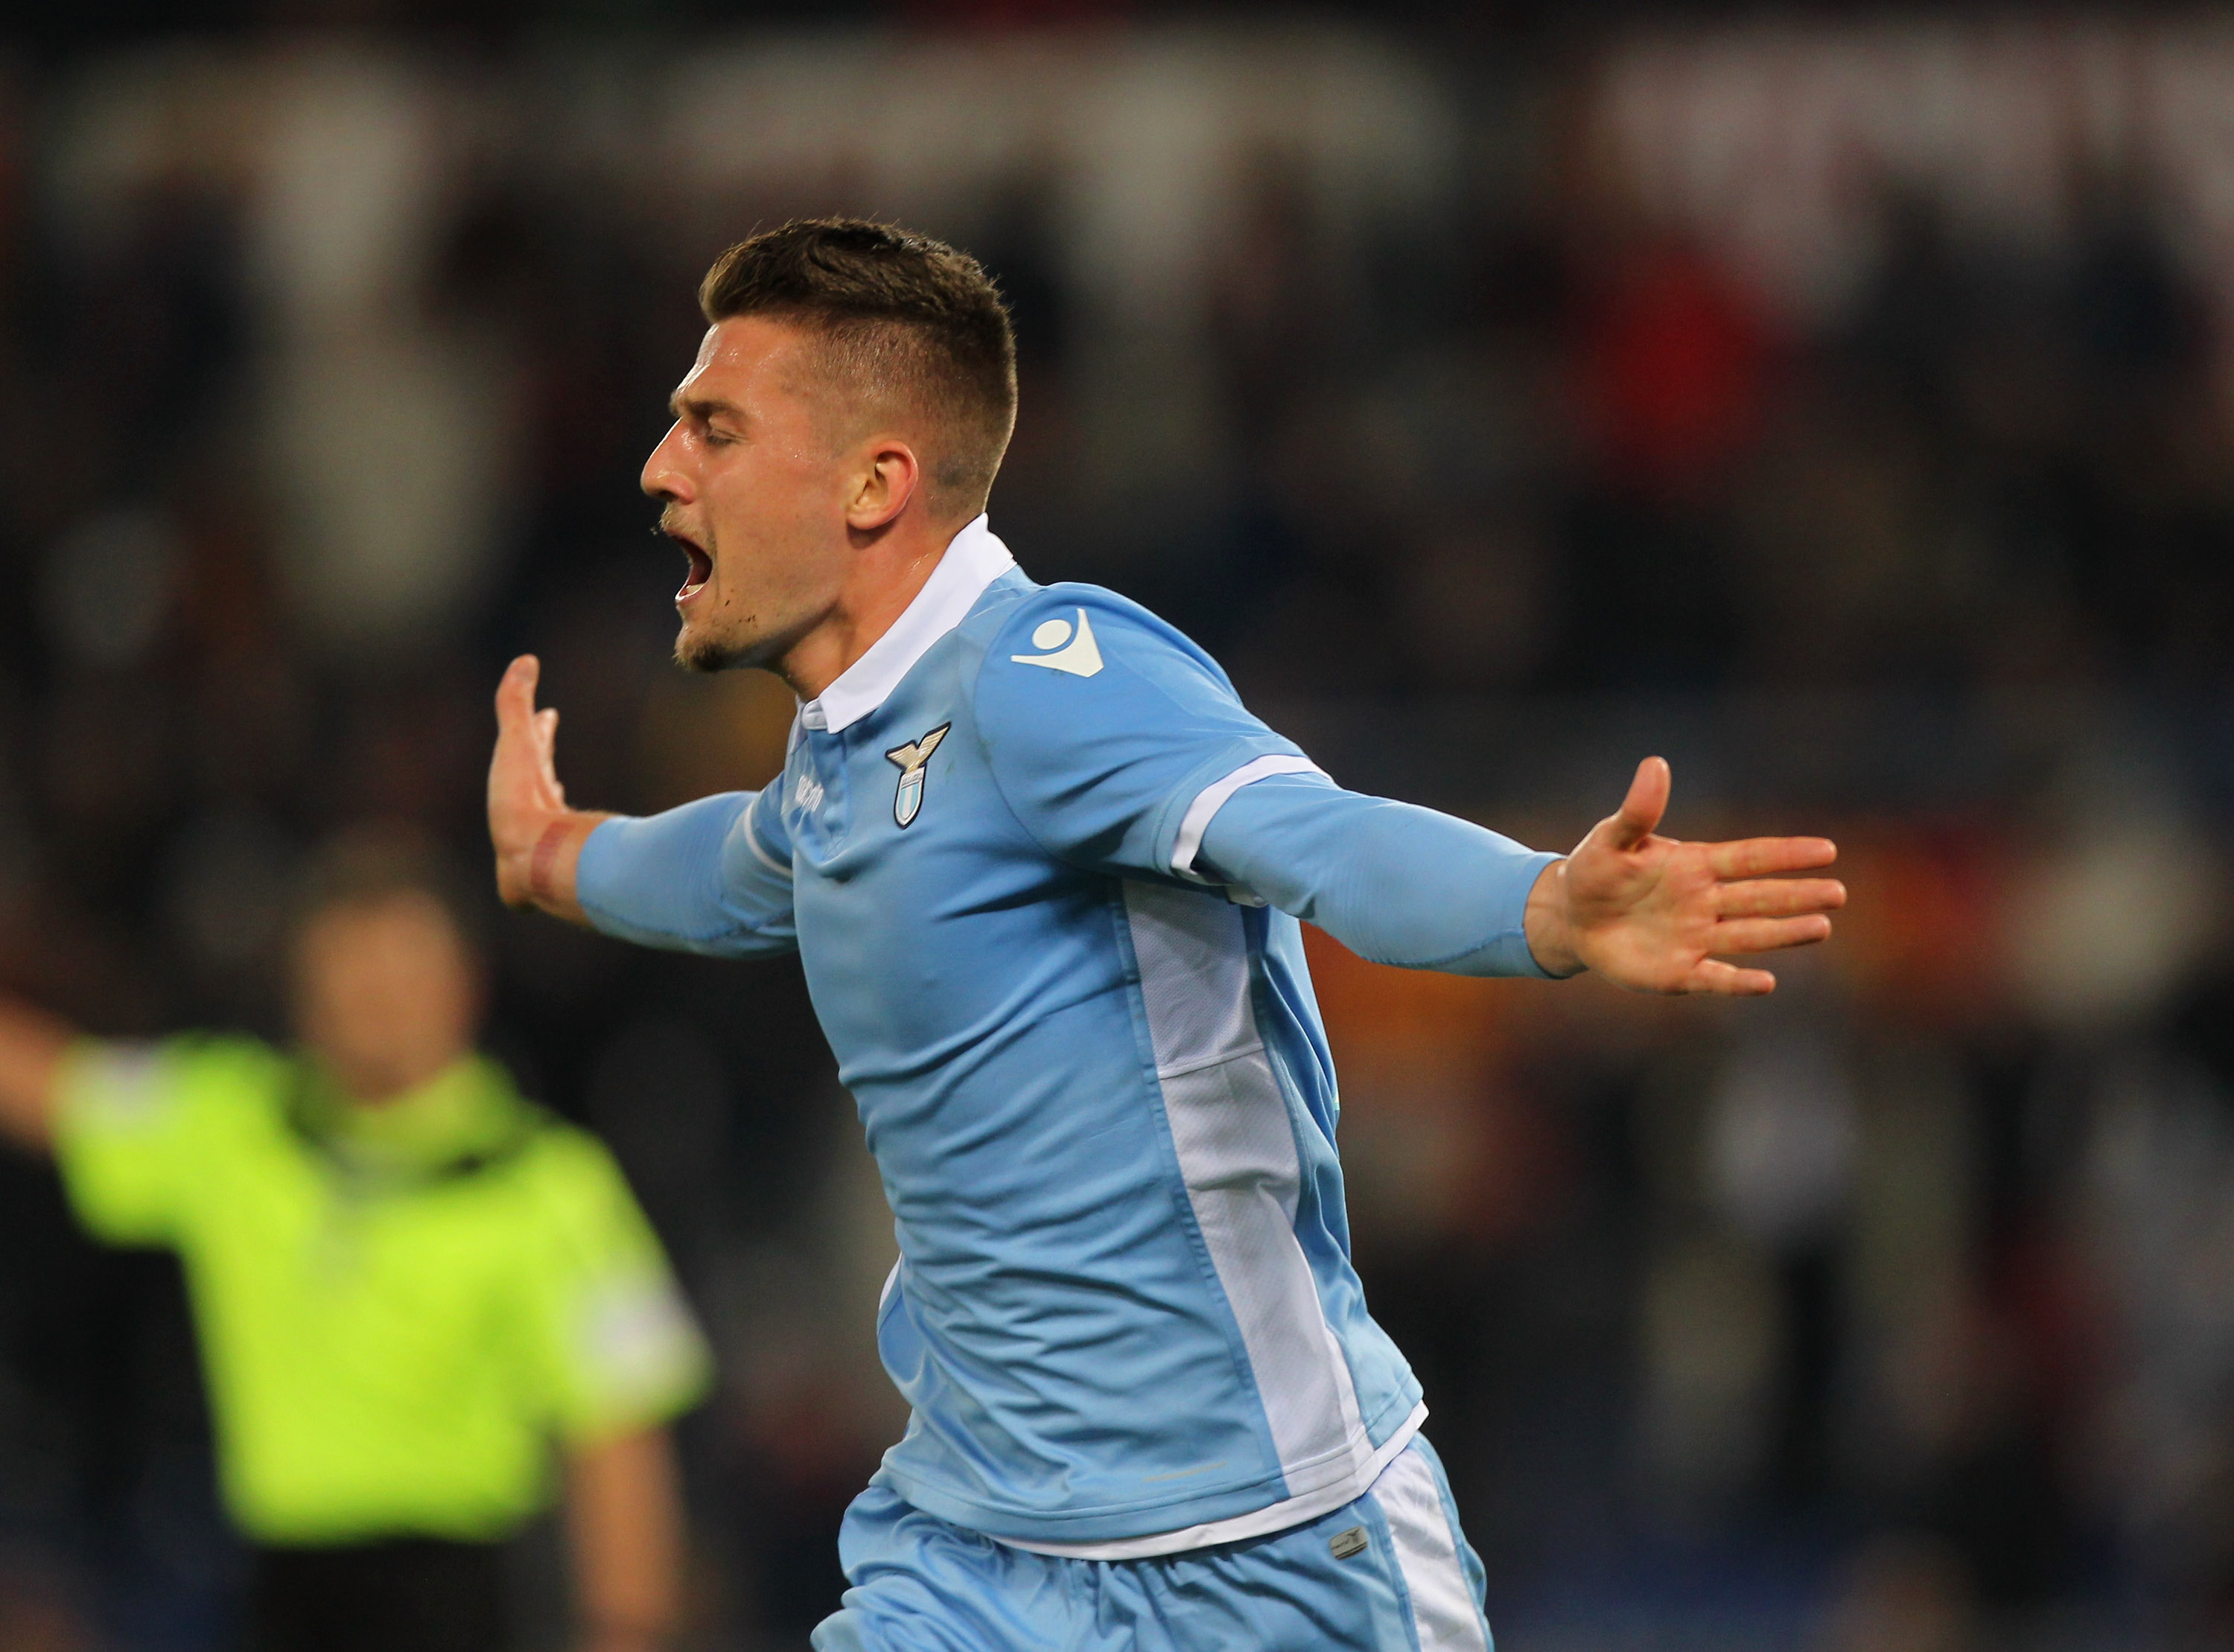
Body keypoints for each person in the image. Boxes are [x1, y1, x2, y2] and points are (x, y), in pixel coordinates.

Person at [486, 218, 1846, 1652]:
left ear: (875, 482)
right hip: (971, 1557)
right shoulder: (847, 753)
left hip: (1272, 1555)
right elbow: (733, 862)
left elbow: (1317, 837)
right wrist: (559, 854)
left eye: (712, 426)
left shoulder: (1046, 674)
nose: (660, 466)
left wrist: (1540, 906)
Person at [0, 835, 710, 1652]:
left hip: (457, 1595)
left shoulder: (551, 1187)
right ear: (302, 993)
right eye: (351, 976)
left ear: (463, 984)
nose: (380, 1003)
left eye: (404, 974)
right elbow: (56, 1088)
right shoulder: (233, 1126)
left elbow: (619, 1451)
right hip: (274, 1590)